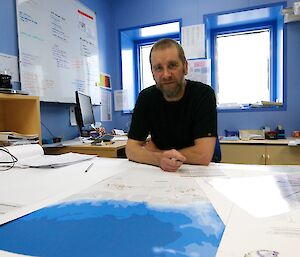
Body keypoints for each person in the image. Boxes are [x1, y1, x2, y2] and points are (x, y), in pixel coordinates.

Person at [126, 38, 217, 172]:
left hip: (197, 171)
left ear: (185, 67)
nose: (166, 74)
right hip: (160, 171)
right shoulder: (146, 98)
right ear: (153, 73)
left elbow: (203, 155)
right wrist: (159, 158)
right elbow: (131, 149)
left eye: (172, 65)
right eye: (158, 68)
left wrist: (155, 154)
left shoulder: (203, 94)